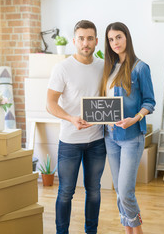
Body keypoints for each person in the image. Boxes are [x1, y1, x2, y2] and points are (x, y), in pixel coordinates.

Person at [46, 20, 106, 234]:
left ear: (96, 41)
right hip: (70, 141)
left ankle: (92, 231)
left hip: (97, 141)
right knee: (65, 192)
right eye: (81, 38)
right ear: (74, 41)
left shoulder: (103, 66)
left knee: (94, 191)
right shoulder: (62, 67)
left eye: (90, 38)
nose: (85, 43)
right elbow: (50, 103)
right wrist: (71, 118)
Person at [100, 22, 156, 234]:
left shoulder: (140, 67)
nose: (115, 42)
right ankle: (128, 231)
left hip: (132, 136)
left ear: (127, 38)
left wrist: (135, 118)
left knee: (125, 191)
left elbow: (149, 102)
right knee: (119, 193)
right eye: (111, 39)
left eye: (119, 37)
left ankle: (138, 231)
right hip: (110, 136)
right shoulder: (109, 68)